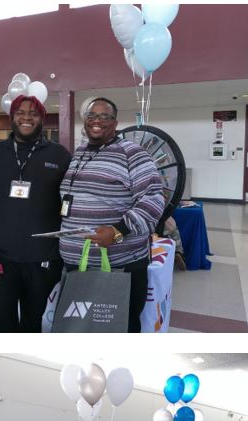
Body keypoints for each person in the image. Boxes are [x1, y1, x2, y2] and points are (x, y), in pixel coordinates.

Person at [58, 97, 165, 332]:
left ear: (115, 123)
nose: (96, 121)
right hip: (79, 265)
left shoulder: (132, 153)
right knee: (83, 328)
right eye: (91, 116)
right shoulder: (80, 153)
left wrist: (118, 231)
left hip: (120, 266)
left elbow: (154, 198)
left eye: (104, 116)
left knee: (119, 328)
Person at [0, 95, 71, 332]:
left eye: (33, 113)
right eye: (21, 112)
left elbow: (75, 198)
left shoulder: (59, 155)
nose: (27, 117)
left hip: (44, 260)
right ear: (12, 117)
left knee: (34, 326)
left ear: (42, 119)